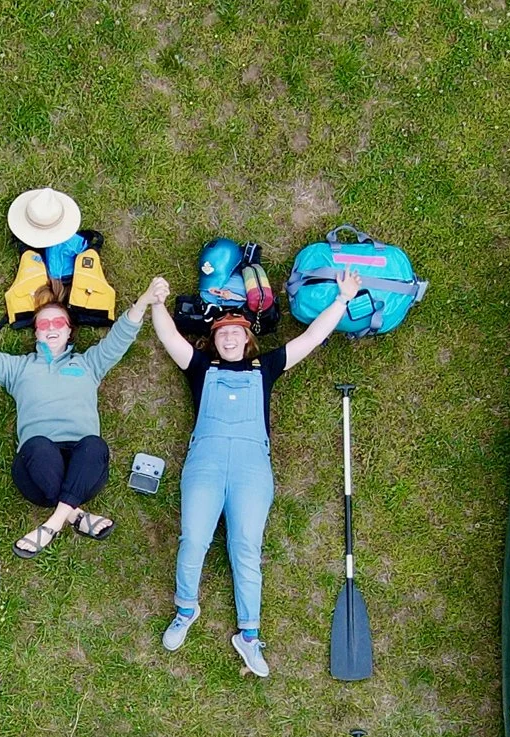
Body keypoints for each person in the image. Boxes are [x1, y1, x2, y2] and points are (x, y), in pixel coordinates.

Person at [146, 270, 366, 677]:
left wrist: (342, 300)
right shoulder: (198, 368)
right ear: (213, 341)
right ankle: (185, 610)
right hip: (205, 463)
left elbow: (310, 340)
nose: (229, 338)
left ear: (248, 339)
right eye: (222, 333)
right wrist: (156, 303)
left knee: (245, 547)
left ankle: (248, 635)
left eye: (236, 333)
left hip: (252, 468)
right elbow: (170, 338)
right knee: (193, 539)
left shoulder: (266, 367)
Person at [0, 275, 165, 560]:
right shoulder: (17, 369)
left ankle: (52, 525)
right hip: (36, 471)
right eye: (43, 324)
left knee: (95, 445)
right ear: (35, 333)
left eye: (58, 323)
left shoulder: (89, 364)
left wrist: (145, 300)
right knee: (36, 444)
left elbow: (120, 337)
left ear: (70, 331)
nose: (50, 328)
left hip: (83, 468)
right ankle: (75, 516)